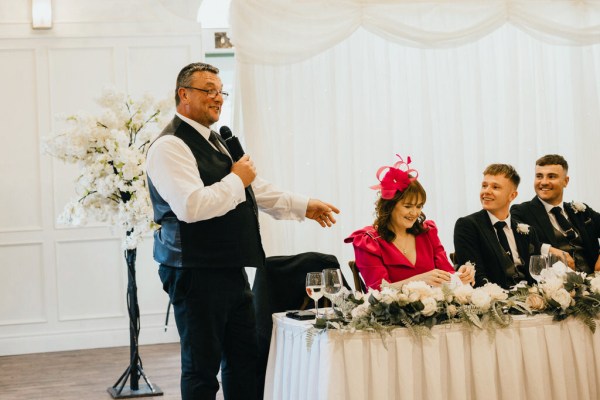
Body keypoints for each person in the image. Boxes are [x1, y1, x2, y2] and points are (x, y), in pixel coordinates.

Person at [145, 62, 339, 400]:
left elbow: (252, 189)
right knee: (201, 368)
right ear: (183, 94)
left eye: (221, 91)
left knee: (244, 361)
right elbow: (192, 206)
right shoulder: (169, 146)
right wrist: (237, 178)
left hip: (230, 269)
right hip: (193, 271)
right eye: (209, 90)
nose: (218, 98)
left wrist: (304, 205)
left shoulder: (218, 141)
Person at [345, 155, 474, 290]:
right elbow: (377, 292)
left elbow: (447, 276)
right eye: (408, 206)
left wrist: (460, 275)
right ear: (389, 206)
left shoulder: (428, 233)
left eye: (419, 206)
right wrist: (420, 280)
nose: (414, 213)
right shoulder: (369, 241)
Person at [453, 164, 543, 289]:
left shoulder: (528, 231)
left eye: (495, 187)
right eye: (484, 185)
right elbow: (476, 277)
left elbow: (538, 274)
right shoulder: (467, 226)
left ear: (512, 195)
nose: (486, 191)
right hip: (494, 302)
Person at [511, 154, 600, 273]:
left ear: (565, 181)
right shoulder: (521, 211)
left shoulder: (582, 211)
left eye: (551, 176)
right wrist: (549, 250)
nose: (544, 182)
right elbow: (519, 243)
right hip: (553, 287)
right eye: (539, 176)